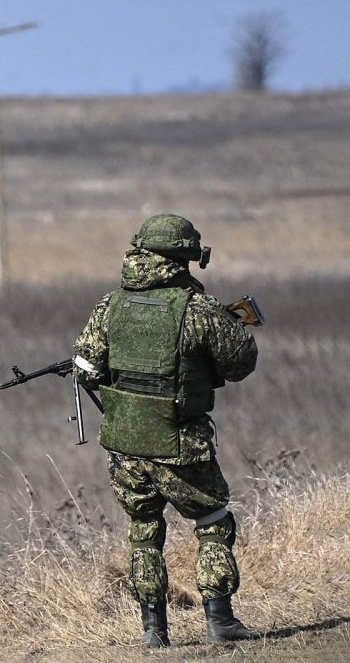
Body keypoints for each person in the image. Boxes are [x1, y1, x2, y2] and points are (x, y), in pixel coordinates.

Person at [72, 213, 259, 648]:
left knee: (143, 530)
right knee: (212, 520)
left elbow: (85, 365)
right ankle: (221, 621)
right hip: (179, 442)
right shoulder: (198, 309)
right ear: (184, 257)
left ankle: (154, 633)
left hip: (124, 446)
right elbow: (241, 364)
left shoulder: (110, 304)